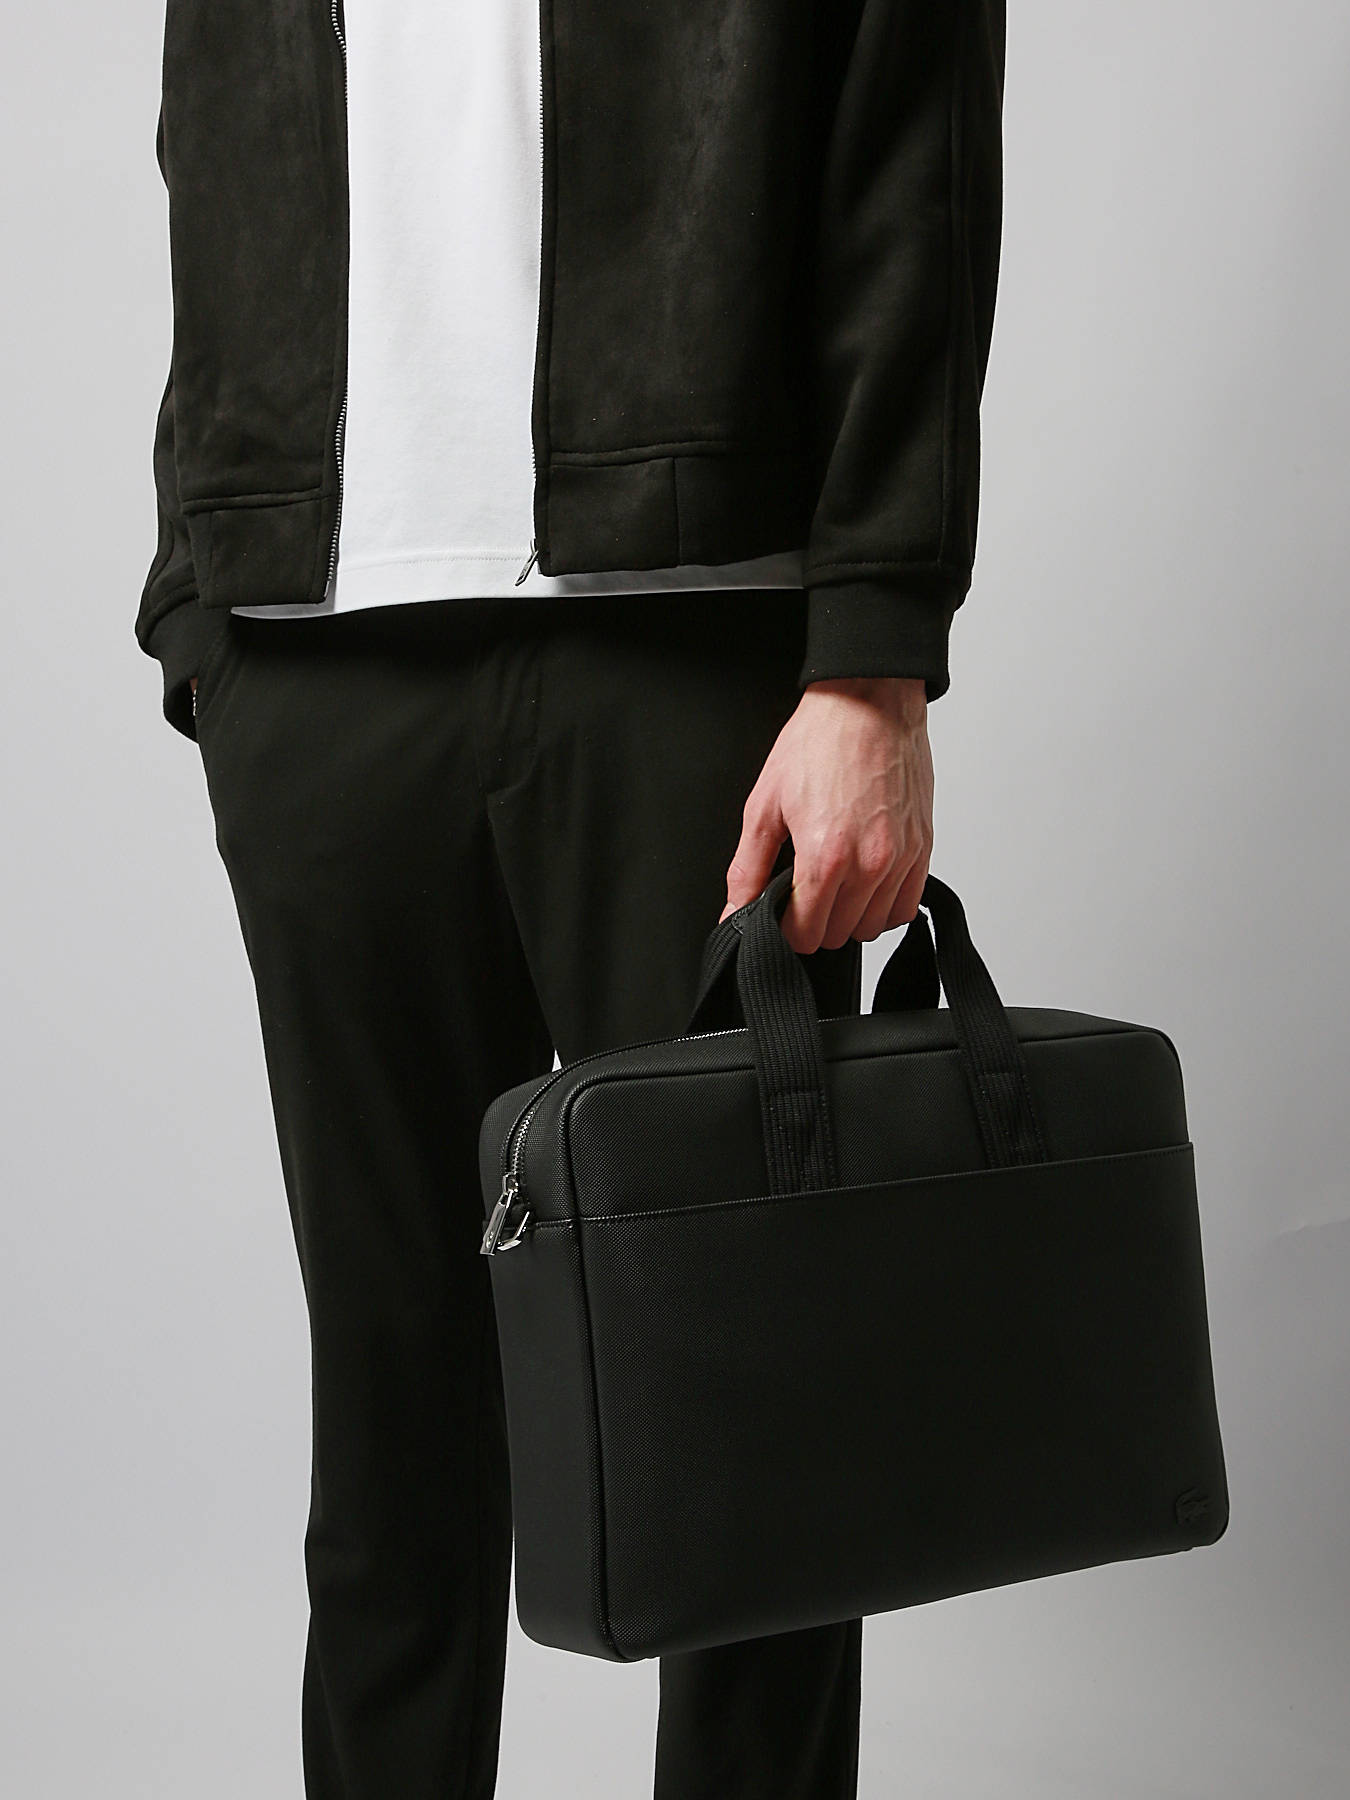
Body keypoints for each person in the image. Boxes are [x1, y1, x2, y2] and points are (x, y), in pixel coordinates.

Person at [135, 3, 1006, 1795]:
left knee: (747, 1406)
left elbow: (906, 139)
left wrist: (872, 654)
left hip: (688, 639)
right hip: (315, 646)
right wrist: (197, 594)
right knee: (389, 1412)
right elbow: (207, 138)